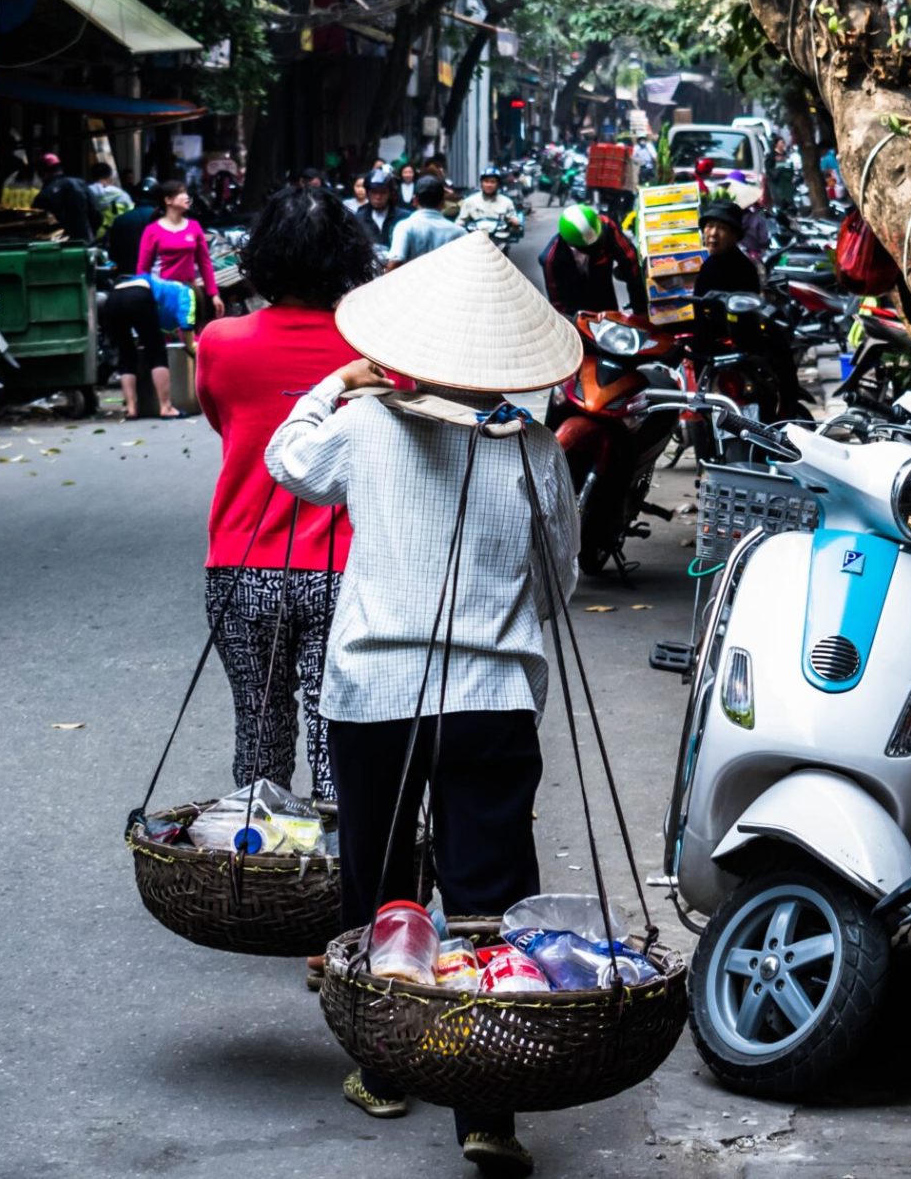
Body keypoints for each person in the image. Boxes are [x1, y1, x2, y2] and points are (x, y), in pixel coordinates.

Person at [265, 231, 580, 1173]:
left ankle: (386, 1069)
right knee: (488, 898)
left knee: (383, 885)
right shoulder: (535, 449)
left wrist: (339, 385)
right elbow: (559, 576)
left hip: (375, 697)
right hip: (491, 699)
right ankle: (488, 1108)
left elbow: (290, 462)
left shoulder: (365, 426)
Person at [196, 189, 378, 804]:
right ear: (349, 259)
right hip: (345, 570)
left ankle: (265, 880)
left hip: (242, 567)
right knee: (341, 739)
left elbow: (225, 424)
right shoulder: (373, 351)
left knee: (259, 736)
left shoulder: (219, 341)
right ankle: (342, 882)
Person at [136, 180, 224, 328]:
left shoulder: (194, 227)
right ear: (168, 200)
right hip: (161, 293)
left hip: (188, 293)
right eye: (181, 193)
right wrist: (141, 295)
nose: (187, 197)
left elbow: (205, 263)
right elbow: (142, 268)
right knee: (166, 336)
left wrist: (214, 294)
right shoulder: (152, 231)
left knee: (190, 337)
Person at [540, 202, 643, 315]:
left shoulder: (607, 227)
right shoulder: (552, 260)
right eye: (590, 247)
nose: (596, 248)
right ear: (571, 244)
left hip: (605, 299)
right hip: (575, 307)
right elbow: (558, 303)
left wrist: (639, 309)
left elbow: (631, 263)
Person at [101, 273, 178, 420]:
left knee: (126, 352)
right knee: (156, 351)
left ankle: (131, 408)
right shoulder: (176, 289)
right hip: (138, 297)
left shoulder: (141, 278)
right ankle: (166, 407)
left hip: (113, 298)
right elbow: (167, 319)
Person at [387, 175, 464, 265]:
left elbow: (395, 261)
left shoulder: (404, 227)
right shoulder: (460, 232)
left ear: (415, 200)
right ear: (443, 202)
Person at [694, 197, 763, 296]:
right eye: (710, 226)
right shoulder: (713, 262)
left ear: (734, 236)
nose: (713, 233)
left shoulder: (742, 271)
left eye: (722, 228)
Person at [34, 153, 97, 245]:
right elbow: (97, 214)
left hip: (58, 247)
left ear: (43, 173)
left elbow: (40, 226)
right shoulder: (81, 184)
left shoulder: (44, 194)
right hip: (85, 243)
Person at [105, 179, 158, 279]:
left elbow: (113, 254)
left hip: (126, 277)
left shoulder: (120, 220)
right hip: (157, 279)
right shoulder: (164, 221)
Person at [455, 167, 523, 233]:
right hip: (475, 238)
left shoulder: (507, 202)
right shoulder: (470, 201)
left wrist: (515, 223)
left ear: (498, 184)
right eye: (486, 181)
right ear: (481, 183)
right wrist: (457, 227)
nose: (489, 185)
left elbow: (513, 218)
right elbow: (461, 220)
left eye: (493, 182)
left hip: (499, 239)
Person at [353, 168, 406, 248]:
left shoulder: (404, 217)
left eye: (383, 192)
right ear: (367, 193)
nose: (378, 197)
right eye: (374, 192)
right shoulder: (358, 219)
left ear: (390, 194)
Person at [88, 162, 135, 228]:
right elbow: (131, 215)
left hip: (91, 234)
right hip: (115, 233)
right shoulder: (122, 195)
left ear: (92, 176)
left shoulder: (85, 193)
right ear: (110, 176)